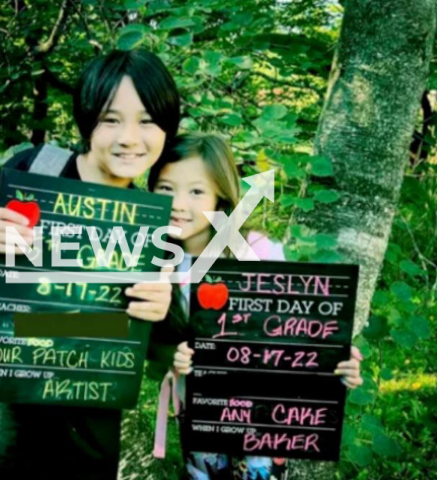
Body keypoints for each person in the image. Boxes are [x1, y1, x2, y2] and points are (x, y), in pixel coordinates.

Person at [0, 49, 180, 480]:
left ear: (167, 125)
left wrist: (157, 306)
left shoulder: (154, 215)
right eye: (111, 119)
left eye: (147, 120)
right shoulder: (38, 170)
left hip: (86, 427)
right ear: (87, 120)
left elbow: (150, 339)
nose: (129, 137)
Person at [147, 133, 364, 480]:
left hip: (265, 416)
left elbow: (298, 330)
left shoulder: (257, 249)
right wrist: (172, 354)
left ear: (221, 193)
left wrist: (334, 361)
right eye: (166, 188)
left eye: (196, 191)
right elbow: (145, 339)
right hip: (202, 413)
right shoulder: (152, 261)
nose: (178, 203)